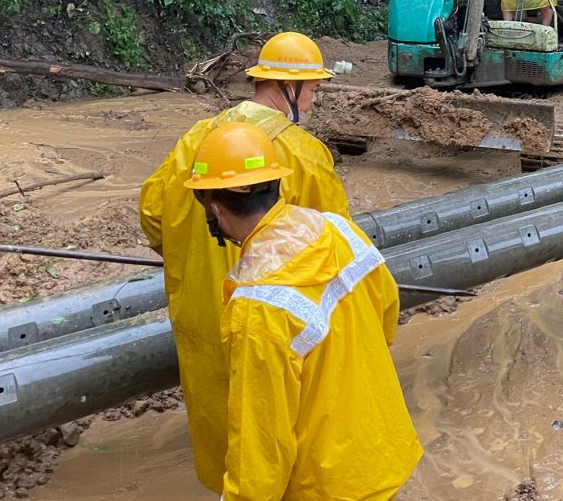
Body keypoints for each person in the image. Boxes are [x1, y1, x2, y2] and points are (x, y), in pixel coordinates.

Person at [139, 31, 350, 493]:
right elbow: (335, 248)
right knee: (277, 440)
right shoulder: (302, 156)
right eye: (314, 89)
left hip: (202, 319)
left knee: (227, 438)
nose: (315, 100)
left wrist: (195, 263)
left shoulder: (198, 138)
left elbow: (153, 215)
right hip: (273, 329)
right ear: (288, 87)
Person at [185, 122, 422, 501]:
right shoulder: (338, 229)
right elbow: (387, 310)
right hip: (381, 450)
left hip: (328, 486)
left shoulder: (257, 303)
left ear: (214, 207)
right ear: (275, 183)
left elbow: (261, 444)